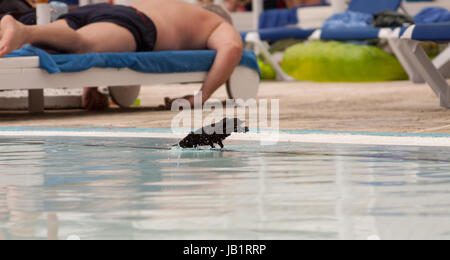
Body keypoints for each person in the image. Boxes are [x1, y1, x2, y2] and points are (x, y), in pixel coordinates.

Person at [0, 0, 243, 110]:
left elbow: (106, 36)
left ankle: (25, 30)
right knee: (83, 45)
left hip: (106, 10)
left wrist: (91, 85)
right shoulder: (217, 22)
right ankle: (23, 31)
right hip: (136, 23)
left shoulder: (178, 6)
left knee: (59, 38)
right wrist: (201, 97)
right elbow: (232, 48)